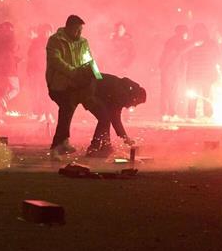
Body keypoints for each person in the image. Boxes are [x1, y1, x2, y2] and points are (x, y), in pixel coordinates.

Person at [45, 14, 99, 158]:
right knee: (67, 107)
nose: (79, 33)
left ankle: (63, 142)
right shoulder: (56, 40)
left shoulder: (83, 42)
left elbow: (89, 60)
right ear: (68, 28)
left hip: (76, 85)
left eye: (81, 30)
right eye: (76, 30)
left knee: (68, 109)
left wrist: (97, 76)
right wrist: (73, 72)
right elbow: (55, 60)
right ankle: (57, 145)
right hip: (58, 85)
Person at [84, 73, 145, 157]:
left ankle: (105, 146)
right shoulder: (122, 94)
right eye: (137, 103)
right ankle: (94, 147)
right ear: (135, 97)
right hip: (89, 91)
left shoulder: (124, 90)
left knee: (105, 118)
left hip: (92, 89)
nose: (134, 106)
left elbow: (113, 115)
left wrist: (124, 137)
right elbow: (115, 119)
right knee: (104, 119)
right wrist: (125, 138)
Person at [183, 23, 219, 119]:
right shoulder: (192, 44)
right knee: (197, 96)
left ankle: (202, 115)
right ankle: (196, 115)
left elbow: (216, 57)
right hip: (197, 75)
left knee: (202, 95)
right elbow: (185, 57)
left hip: (202, 74)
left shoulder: (210, 43)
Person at [0, 22, 20, 118]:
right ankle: (4, 100)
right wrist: (13, 34)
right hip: (9, 69)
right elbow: (13, 48)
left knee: (1, 92)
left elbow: (3, 53)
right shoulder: (8, 37)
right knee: (15, 89)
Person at [158, 25, 188, 118]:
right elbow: (181, 54)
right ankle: (169, 112)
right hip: (171, 70)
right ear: (183, 33)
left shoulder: (171, 41)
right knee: (171, 91)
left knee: (168, 91)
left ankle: (167, 112)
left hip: (169, 69)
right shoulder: (179, 42)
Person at [25, 24, 52, 116]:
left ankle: (47, 113)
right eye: (44, 30)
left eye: (47, 31)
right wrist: (29, 70)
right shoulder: (36, 43)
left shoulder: (53, 42)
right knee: (39, 93)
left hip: (48, 71)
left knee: (47, 94)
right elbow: (30, 57)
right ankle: (42, 113)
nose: (45, 32)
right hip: (38, 72)